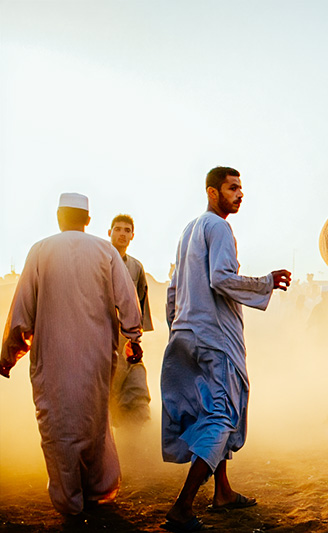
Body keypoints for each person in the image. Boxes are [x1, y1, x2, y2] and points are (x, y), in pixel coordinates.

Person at [161, 167, 292, 532]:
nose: (240, 194)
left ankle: (223, 491)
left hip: (187, 333)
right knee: (223, 415)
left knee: (210, 410)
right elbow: (220, 277)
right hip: (213, 337)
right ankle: (183, 505)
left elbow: (173, 290)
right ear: (213, 191)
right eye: (232, 188)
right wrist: (266, 281)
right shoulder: (218, 227)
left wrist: (179, 328)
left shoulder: (189, 230)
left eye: (241, 188)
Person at [0, 193, 143, 516]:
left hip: (53, 358)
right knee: (95, 424)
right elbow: (128, 300)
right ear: (88, 221)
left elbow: (22, 310)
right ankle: (98, 491)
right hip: (97, 357)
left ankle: (69, 502)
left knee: (58, 427)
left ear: (58, 216)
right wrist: (133, 338)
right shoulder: (105, 250)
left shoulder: (40, 250)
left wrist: (9, 354)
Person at [108, 213, 154, 428]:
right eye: (118, 229)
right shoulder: (99, 260)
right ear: (109, 233)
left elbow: (140, 303)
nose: (122, 234)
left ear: (133, 236)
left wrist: (136, 338)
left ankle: (136, 443)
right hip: (100, 337)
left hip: (126, 340)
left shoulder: (136, 267)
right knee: (104, 392)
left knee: (135, 390)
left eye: (127, 230)